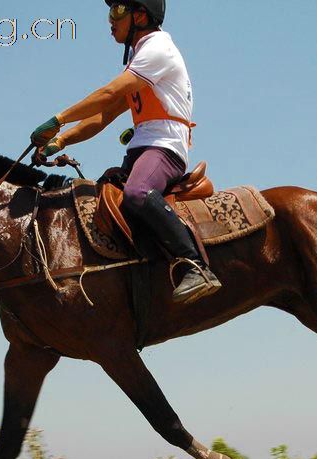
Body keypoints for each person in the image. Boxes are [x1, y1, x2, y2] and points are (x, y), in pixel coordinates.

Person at [30, 0, 221, 303]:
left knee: (137, 193)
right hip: (142, 148)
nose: (110, 20)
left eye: (118, 11)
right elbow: (104, 114)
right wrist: (62, 141)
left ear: (141, 16)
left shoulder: (158, 49)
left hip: (165, 148)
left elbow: (107, 93)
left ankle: (195, 265)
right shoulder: (139, 57)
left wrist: (58, 120)